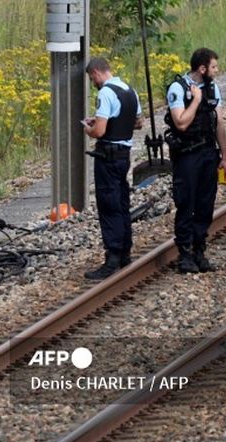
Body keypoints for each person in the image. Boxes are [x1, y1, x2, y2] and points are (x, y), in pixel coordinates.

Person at [164, 47, 226, 273]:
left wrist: (225, 156)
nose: (216, 70)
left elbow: (219, 123)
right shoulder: (179, 89)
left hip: (208, 152)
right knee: (186, 202)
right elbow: (181, 122)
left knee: (205, 203)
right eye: (213, 67)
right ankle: (184, 254)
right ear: (202, 69)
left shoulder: (213, 88)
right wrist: (195, 101)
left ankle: (199, 250)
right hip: (187, 154)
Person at [82, 57, 143, 279]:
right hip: (124, 155)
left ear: (97, 73)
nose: (93, 83)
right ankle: (125, 250)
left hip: (107, 156)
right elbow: (138, 122)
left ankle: (113, 255)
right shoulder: (130, 90)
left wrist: (89, 128)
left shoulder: (106, 93)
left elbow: (99, 131)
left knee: (108, 204)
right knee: (121, 201)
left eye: (92, 78)